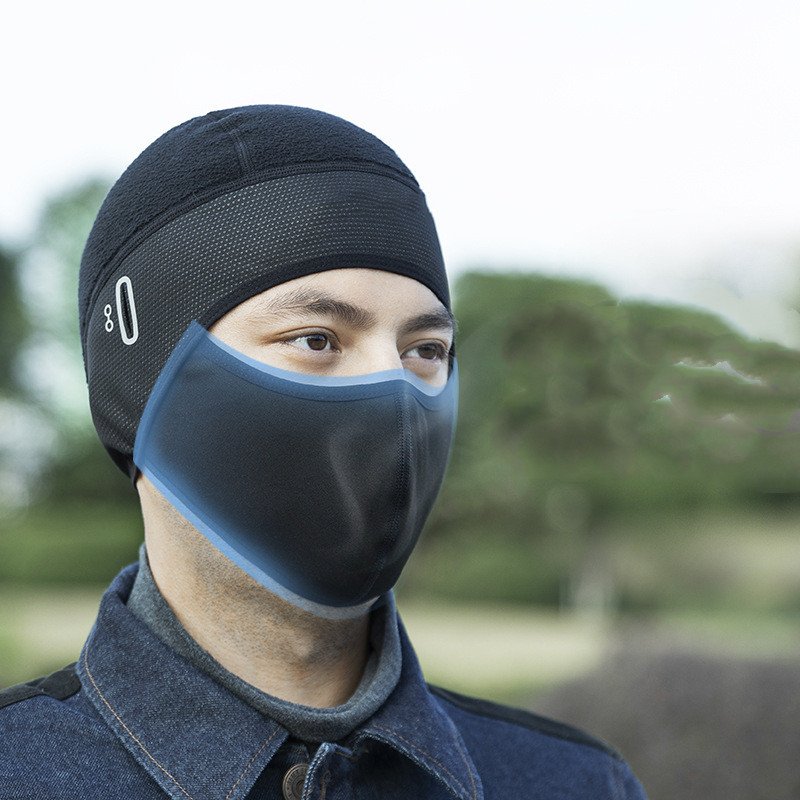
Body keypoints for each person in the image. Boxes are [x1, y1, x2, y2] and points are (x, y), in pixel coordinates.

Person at [0, 105, 647, 799]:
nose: (394, 392)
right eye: (317, 339)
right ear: (142, 388)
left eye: (425, 350)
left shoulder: (580, 784)